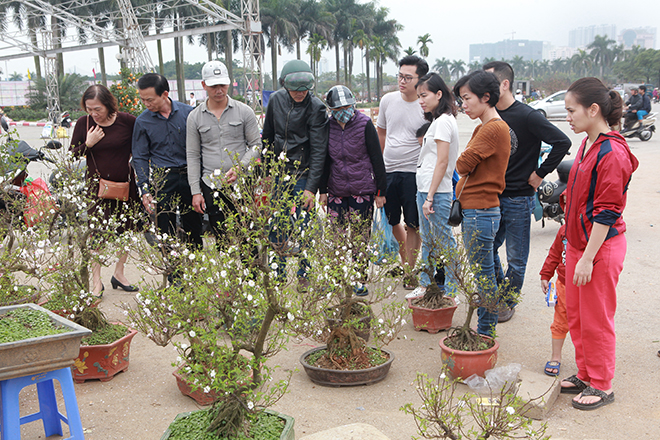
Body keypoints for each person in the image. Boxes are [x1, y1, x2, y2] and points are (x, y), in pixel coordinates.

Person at [560, 77, 638, 411]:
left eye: (571, 110)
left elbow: (606, 213)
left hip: (599, 249)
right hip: (580, 244)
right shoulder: (587, 143)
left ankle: (602, 384)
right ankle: (585, 373)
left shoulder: (612, 152)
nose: (568, 117)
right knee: (577, 316)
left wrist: (587, 258)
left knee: (597, 319)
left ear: (593, 110)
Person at [483, 61, 571, 322]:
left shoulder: (527, 115)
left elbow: (562, 141)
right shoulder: (489, 114)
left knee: (516, 257)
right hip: (492, 196)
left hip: (519, 197)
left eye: (489, 83)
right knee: (487, 248)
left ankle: (507, 303)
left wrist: (540, 173)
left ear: (504, 84)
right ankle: (499, 293)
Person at [453, 71, 511, 337]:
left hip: (480, 212)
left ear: (486, 97)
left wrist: (465, 156)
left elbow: (462, 164)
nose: (463, 105)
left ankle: (485, 331)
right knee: (484, 273)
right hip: (478, 210)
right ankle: (485, 328)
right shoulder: (483, 127)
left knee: (483, 276)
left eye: (467, 98)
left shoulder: (493, 128)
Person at [261, 59, 328, 288]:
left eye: (304, 90)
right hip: (279, 171)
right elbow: (267, 137)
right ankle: (278, 273)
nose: (300, 93)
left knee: (305, 224)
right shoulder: (275, 100)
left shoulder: (317, 107)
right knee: (276, 223)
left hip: (303, 172)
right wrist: (267, 172)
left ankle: (304, 273)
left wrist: (311, 188)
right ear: (284, 85)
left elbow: (319, 151)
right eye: (294, 89)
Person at [70, 84, 140, 296]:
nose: (94, 113)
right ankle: (96, 281)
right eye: (89, 109)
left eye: (97, 109)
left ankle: (119, 273)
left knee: (127, 230)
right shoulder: (84, 123)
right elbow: (72, 155)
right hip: (96, 189)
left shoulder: (127, 121)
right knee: (97, 233)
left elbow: (140, 147)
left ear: (109, 105)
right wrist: (88, 144)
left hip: (125, 185)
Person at [318, 85, 387, 296]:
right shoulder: (327, 127)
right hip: (336, 191)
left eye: (347, 107)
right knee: (336, 237)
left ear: (353, 105)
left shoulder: (364, 124)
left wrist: (381, 191)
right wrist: (323, 190)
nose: (343, 112)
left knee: (360, 237)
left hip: (362, 190)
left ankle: (359, 278)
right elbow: (324, 161)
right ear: (331, 109)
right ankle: (337, 277)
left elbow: (377, 158)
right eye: (338, 109)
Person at [186, 60, 260, 243]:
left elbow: (256, 145)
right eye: (213, 86)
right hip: (211, 184)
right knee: (221, 237)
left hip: (242, 183)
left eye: (222, 85)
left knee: (247, 237)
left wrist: (240, 167)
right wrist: (195, 191)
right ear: (204, 85)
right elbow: (193, 155)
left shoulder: (245, 111)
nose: (219, 90)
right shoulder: (194, 117)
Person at [132, 73, 203, 253]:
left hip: (189, 176)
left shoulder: (189, 113)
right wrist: (145, 189)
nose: (146, 104)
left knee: (194, 227)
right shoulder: (142, 121)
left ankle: (197, 266)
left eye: (150, 99)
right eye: (143, 100)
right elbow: (140, 157)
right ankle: (172, 269)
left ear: (165, 94)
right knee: (165, 229)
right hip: (162, 179)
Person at [376, 55, 429, 289]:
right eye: (400, 76)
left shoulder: (425, 105)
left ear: (420, 80)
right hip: (388, 171)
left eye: (408, 77)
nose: (402, 81)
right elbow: (381, 133)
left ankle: (409, 270)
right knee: (392, 220)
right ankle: (408, 263)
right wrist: (378, 167)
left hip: (413, 172)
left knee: (413, 223)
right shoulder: (388, 100)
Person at [406, 72, 459, 300]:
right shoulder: (437, 121)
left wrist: (430, 197)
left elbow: (443, 161)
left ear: (439, 94)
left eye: (424, 95)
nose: (420, 101)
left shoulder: (444, 121)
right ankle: (426, 284)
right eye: (419, 96)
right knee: (428, 240)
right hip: (427, 190)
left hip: (436, 193)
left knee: (444, 241)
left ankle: (453, 289)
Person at [539, 223, 567, 377]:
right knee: (559, 322)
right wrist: (546, 274)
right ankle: (555, 357)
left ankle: (587, 361)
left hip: (586, 287)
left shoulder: (594, 229)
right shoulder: (564, 230)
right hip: (563, 285)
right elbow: (554, 253)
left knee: (585, 325)